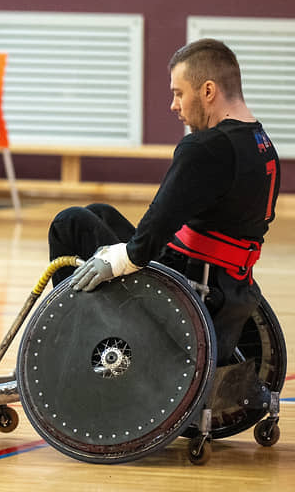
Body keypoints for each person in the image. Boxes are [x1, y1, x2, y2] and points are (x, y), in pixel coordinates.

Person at [48, 38, 279, 365]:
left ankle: (71, 346)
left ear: (208, 91)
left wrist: (119, 259)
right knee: (99, 213)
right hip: (230, 288)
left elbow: (148, 237)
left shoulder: (205, 148)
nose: (174, 105)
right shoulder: (260, 142)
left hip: (188, 295)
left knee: (69, 222)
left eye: (178, 93)